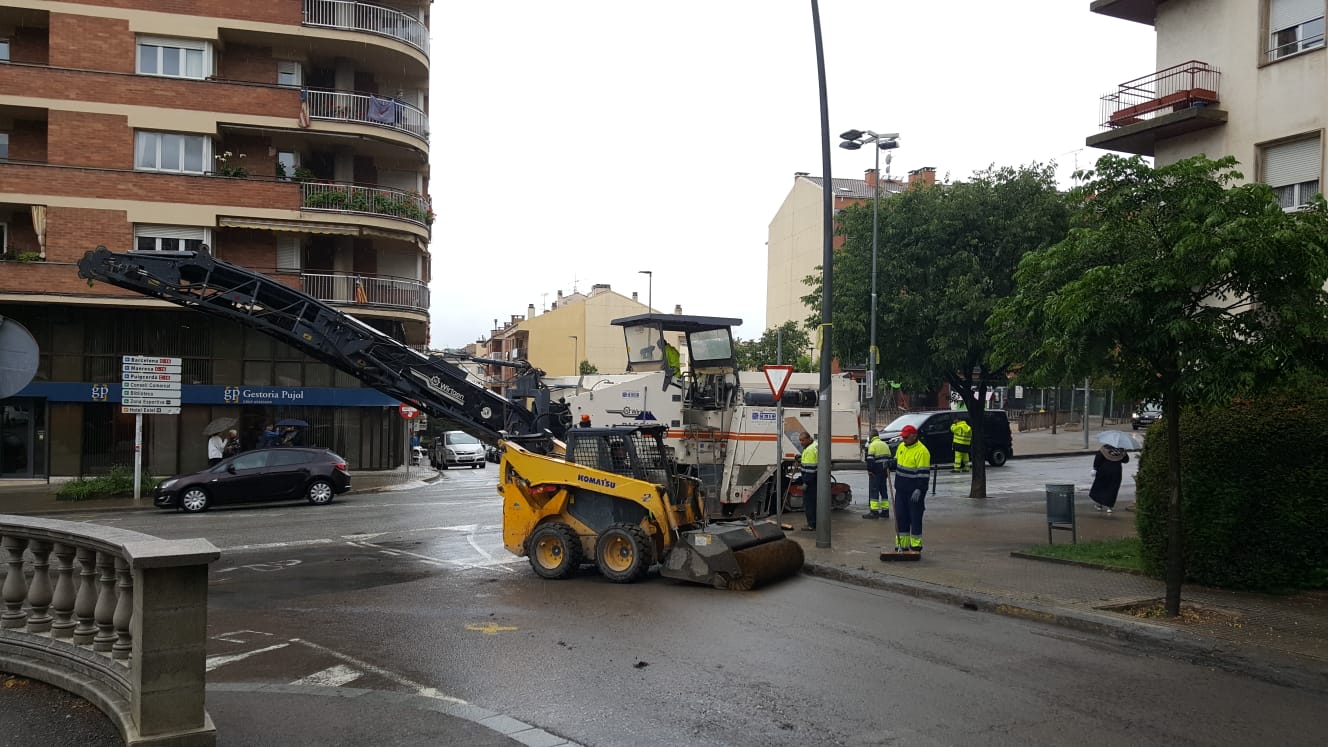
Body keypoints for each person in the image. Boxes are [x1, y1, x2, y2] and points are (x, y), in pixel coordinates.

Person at [892, 424, 931, 553]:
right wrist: (890, 463)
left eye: (906, 437)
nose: (904, 439)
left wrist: (920, 489)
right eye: (903, 437)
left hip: (915, 492)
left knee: (914, 518)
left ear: (914, 436)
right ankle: (902, 546)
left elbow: (923, 474)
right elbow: (896, 462)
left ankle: (916, 546)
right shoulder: (901, 447)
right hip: (901, 490)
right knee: (901, 518)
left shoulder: (922, 451)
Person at [1089, 445, 1130, 513]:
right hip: (1116, 472)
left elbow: (1098, 459)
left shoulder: (1104, 449)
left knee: (1101, 487)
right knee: (1112, 488)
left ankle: (1099, 504)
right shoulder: (1121, 450)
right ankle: (1109, 507)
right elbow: (1126, 460)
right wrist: (1124, 453)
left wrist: (1095, 468)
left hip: (1104, 471)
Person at [863, 429, 891, 519]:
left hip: (875, 472)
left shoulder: (872, 445)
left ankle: (874, 512)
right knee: (883, 491)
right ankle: (885, 511)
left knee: (874, 491)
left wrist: (870, 470)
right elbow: (889, 459)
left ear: (871, 436)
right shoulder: (885, 445)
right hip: (884, 472)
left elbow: (870, 460)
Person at [796, 431, 819, 532]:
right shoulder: (815, 445)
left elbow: (810, 469)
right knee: (814, 503)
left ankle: (811, 525)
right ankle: (815, 523)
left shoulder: (809, 450)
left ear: (808, 439)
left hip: (810, 482)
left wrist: (806, 484)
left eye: (802, 440)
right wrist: (800, 459)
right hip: (816, 480)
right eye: (800, 440)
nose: (801, 442)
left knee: (809, 504)